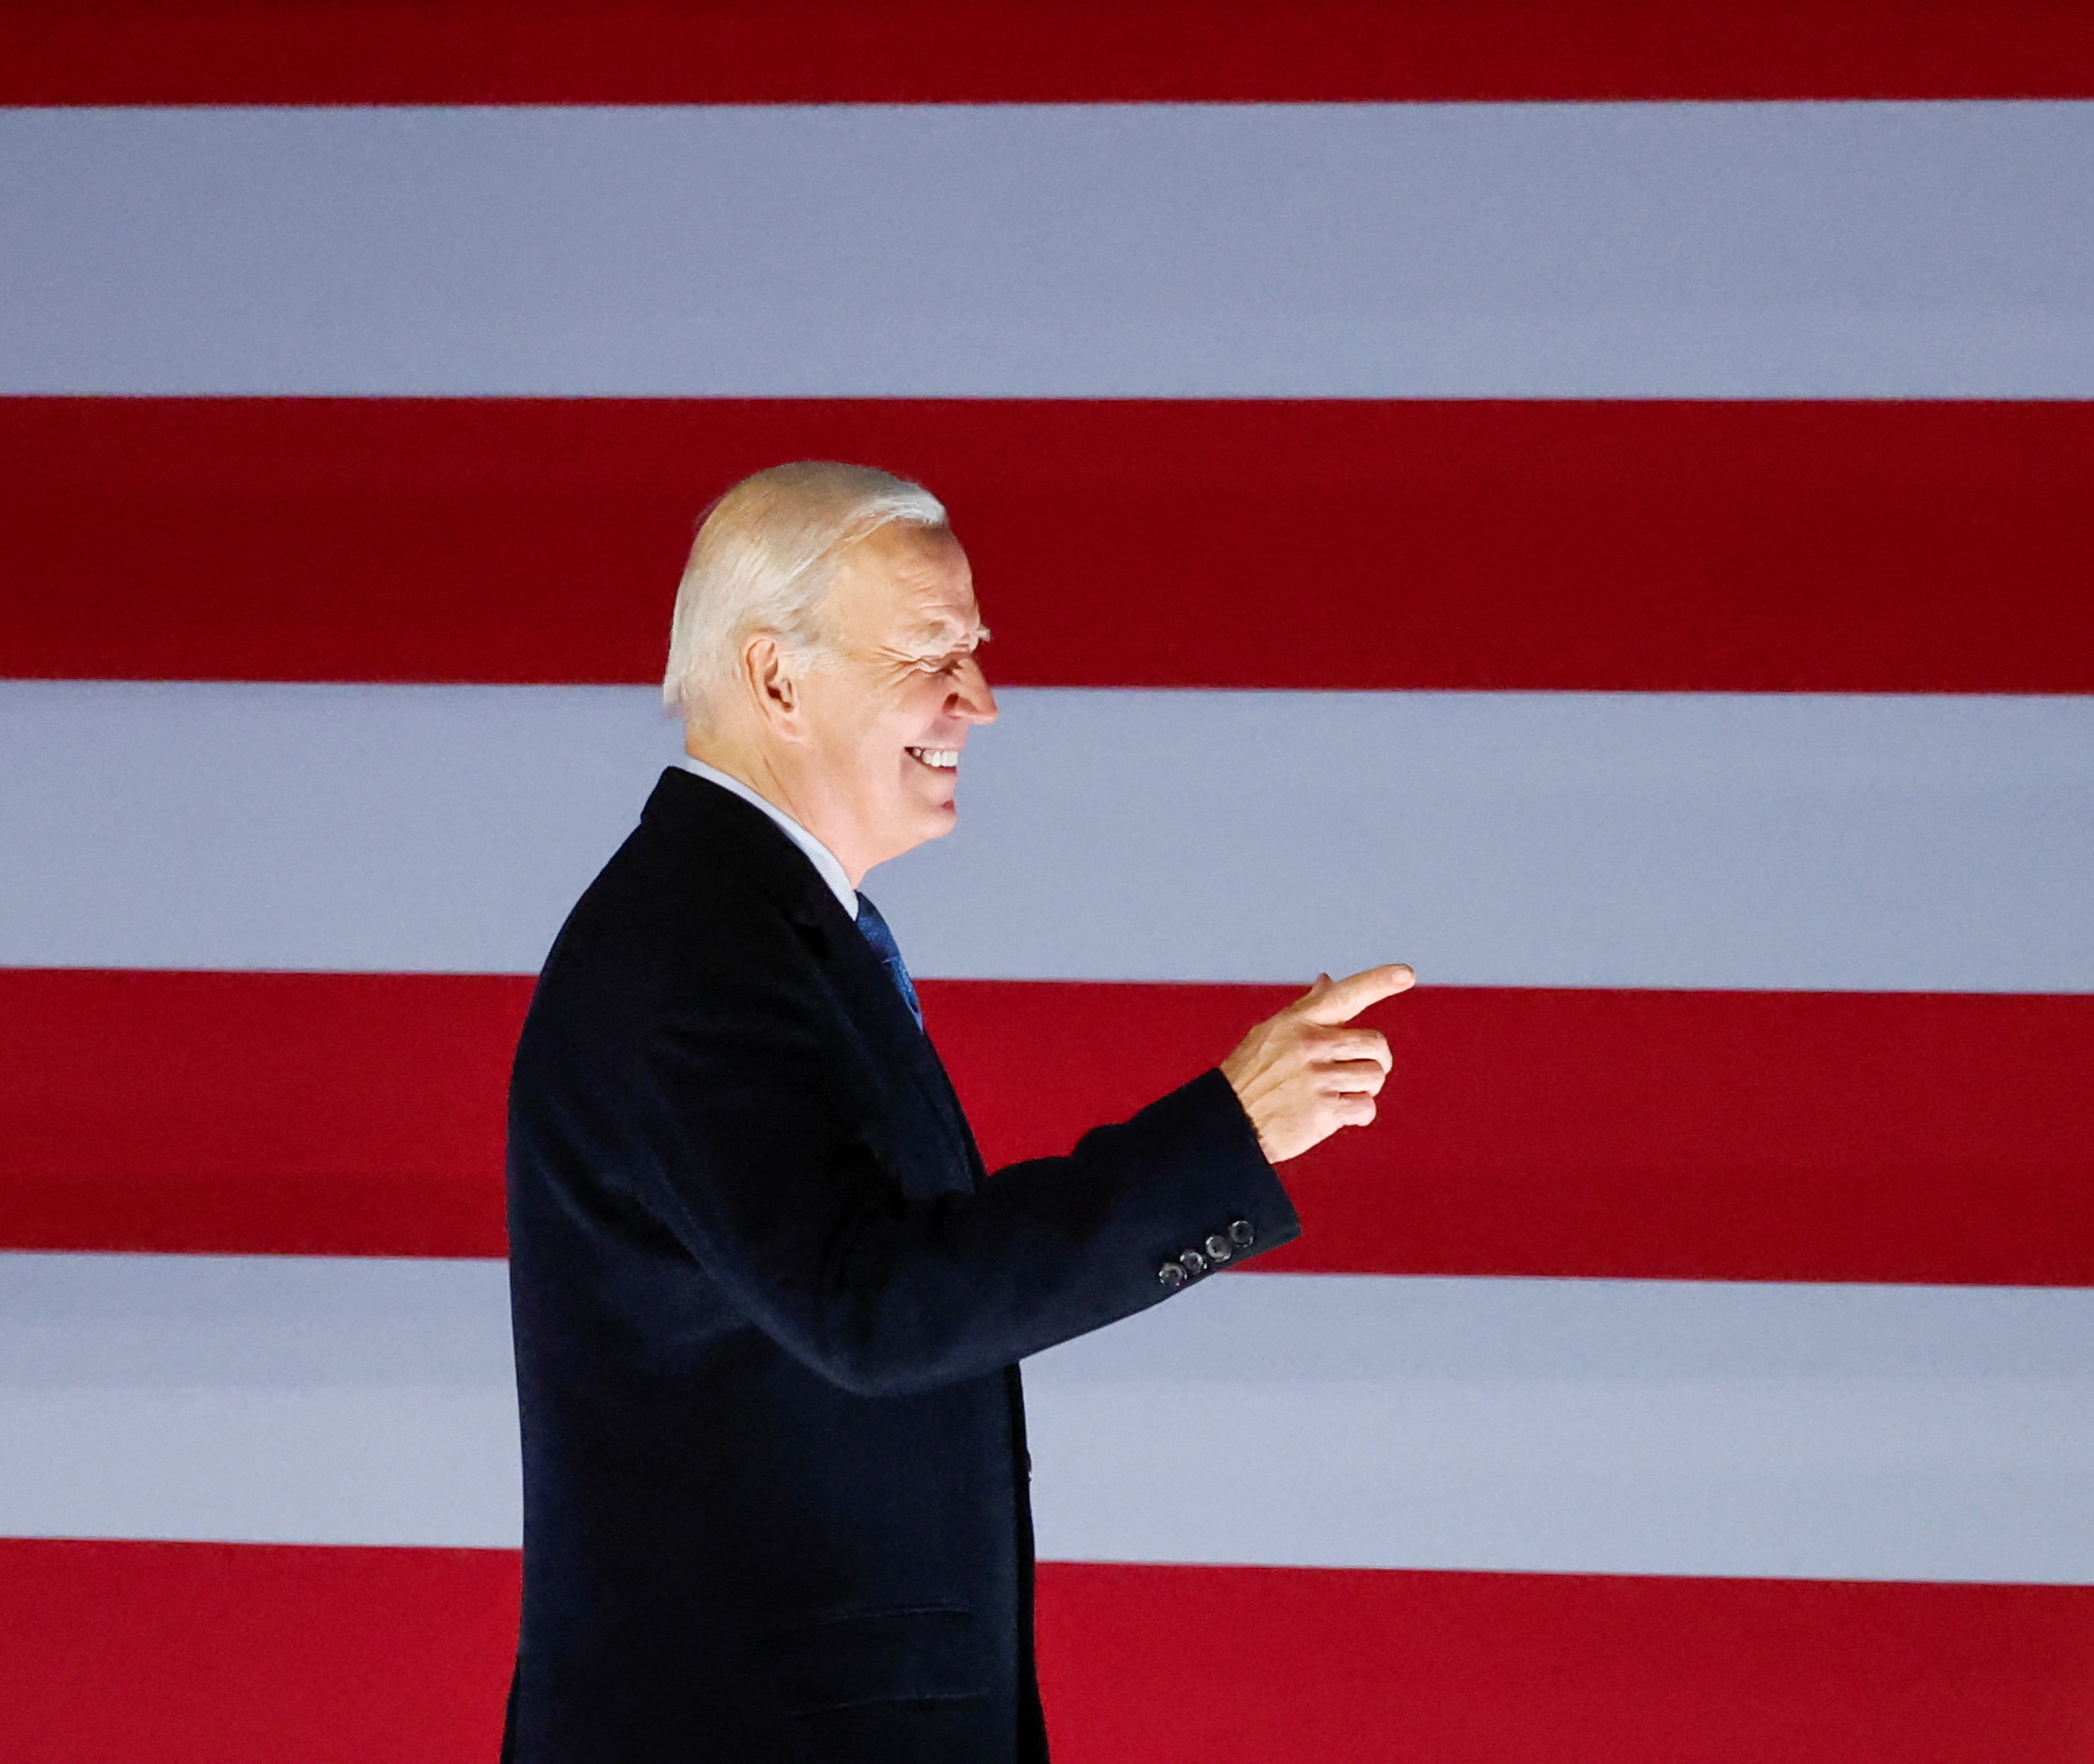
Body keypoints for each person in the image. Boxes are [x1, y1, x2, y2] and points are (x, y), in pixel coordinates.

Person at [502, 461, 1412, 1761]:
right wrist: (1228, 1135)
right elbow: (872, 1307)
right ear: (777, 680)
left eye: (973, 652)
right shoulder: (696, 953)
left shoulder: (761, 929)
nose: (978, 701)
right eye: (931, 653)